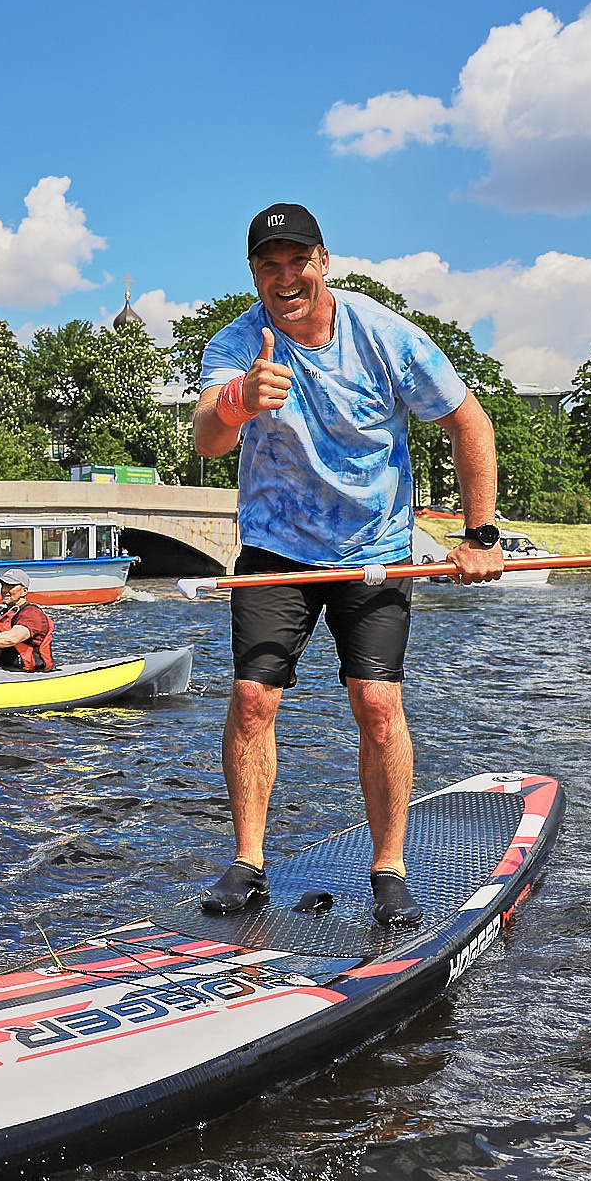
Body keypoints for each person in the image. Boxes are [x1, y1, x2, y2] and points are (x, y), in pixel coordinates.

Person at [192, 202, 503, 927]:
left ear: (323, 262)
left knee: (378, 704)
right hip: (275, 548)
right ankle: (248, 861)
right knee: (252, 699)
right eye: (269, 266)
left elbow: (469, 421)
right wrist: (237, 400)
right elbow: (207, 436)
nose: (285, 277)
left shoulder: (384, 333)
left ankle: (389, 868)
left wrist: (480, 533)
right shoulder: (239, 343)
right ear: (254, 275)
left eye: (298, 261)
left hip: (375, 546)